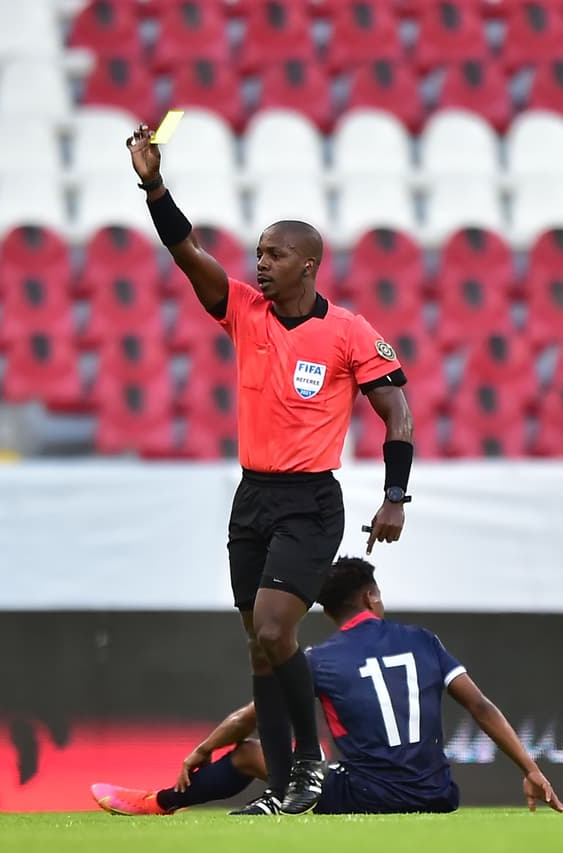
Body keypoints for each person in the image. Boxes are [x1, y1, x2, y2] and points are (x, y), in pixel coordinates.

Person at [126, 124, 415, 814]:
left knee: (275, 629)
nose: (260, 264)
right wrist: (153, 183)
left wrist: (395, 496)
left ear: (308, 264)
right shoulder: (242, 312)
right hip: (251, 498)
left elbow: (397, 415)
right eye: (257, 252)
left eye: (274, 254)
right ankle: (284, 788)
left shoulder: (348, 331)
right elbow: (183, 248)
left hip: (311, 501)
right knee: (260, 648)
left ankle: (309, 765)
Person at [91, 557, 563, 817]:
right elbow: (481, 707)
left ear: (327, 610)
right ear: (371, 596)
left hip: (365, 797)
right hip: (435, 797)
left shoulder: (317, 660)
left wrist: (202, 748)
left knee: (248, 753)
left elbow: (250, 717)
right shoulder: (423, 641)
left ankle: (159, 802)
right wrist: (530, 768)